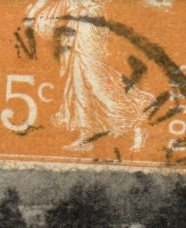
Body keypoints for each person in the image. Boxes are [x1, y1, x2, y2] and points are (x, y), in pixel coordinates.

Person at [26, 0, 155, 151]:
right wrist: (33, 13)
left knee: (96, 80)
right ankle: (86, 134)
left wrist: (33, 13)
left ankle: (138, 118)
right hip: (76, 21)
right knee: (78, 78)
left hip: (90, 23)